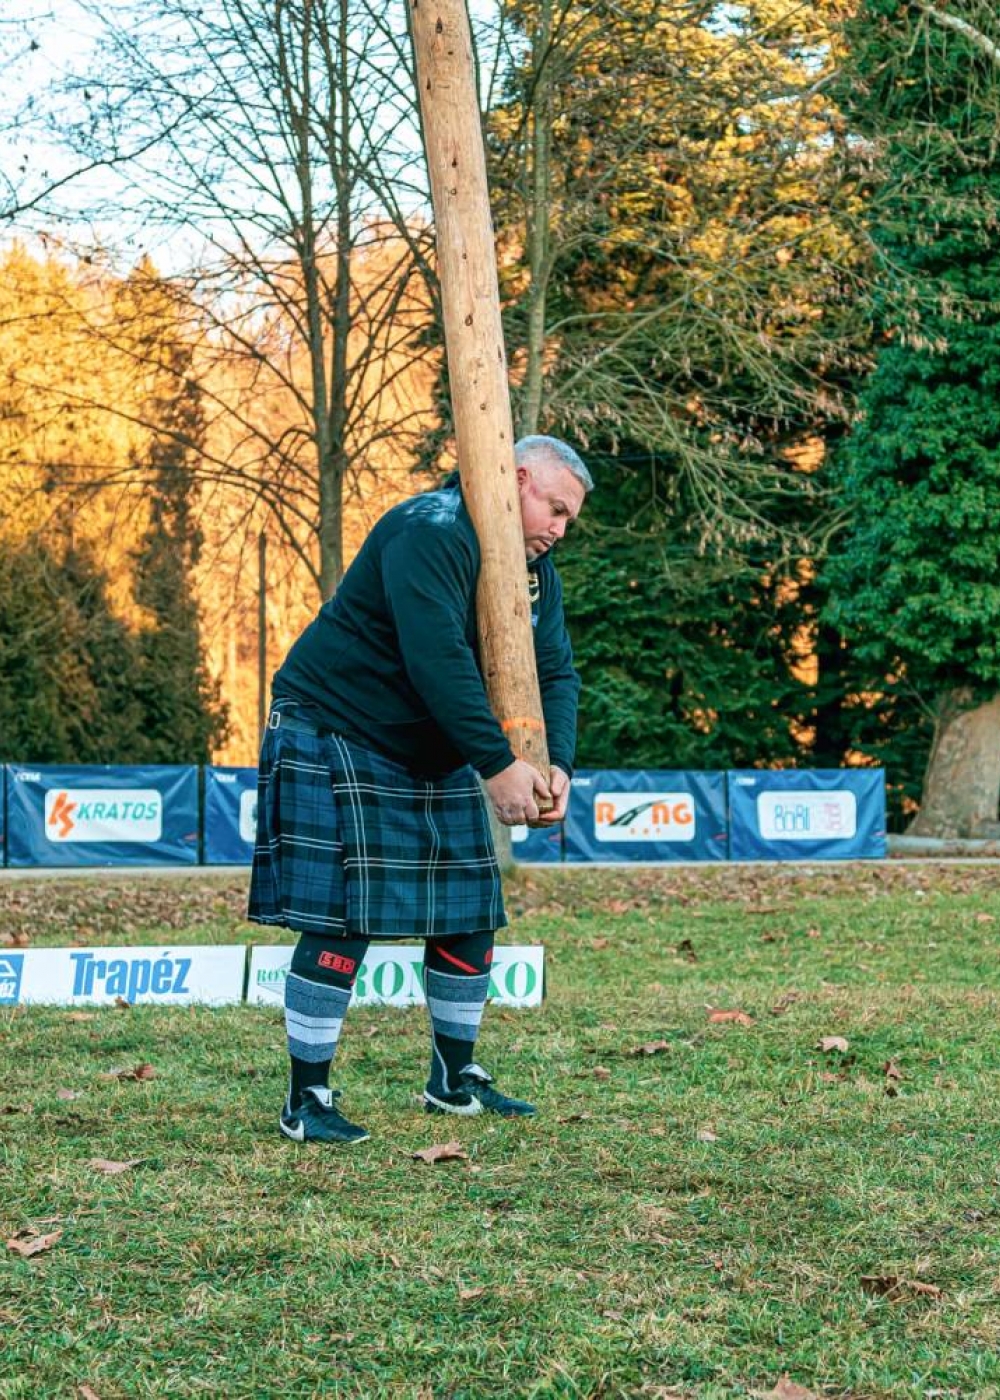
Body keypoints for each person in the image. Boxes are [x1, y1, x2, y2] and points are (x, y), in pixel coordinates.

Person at [248, 434, 592, 1145]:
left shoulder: (535, 576)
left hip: (423, 744)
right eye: (554, 509)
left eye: (568, 520)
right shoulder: (428, 529)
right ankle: (305, 1098)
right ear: (519, 477)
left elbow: (555, 671)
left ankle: (452, 1079)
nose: (559, 531)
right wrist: (497, 765)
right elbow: (436, 657)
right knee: (343, 916)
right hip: (335, 724)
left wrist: (555, 762)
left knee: (470, 910)